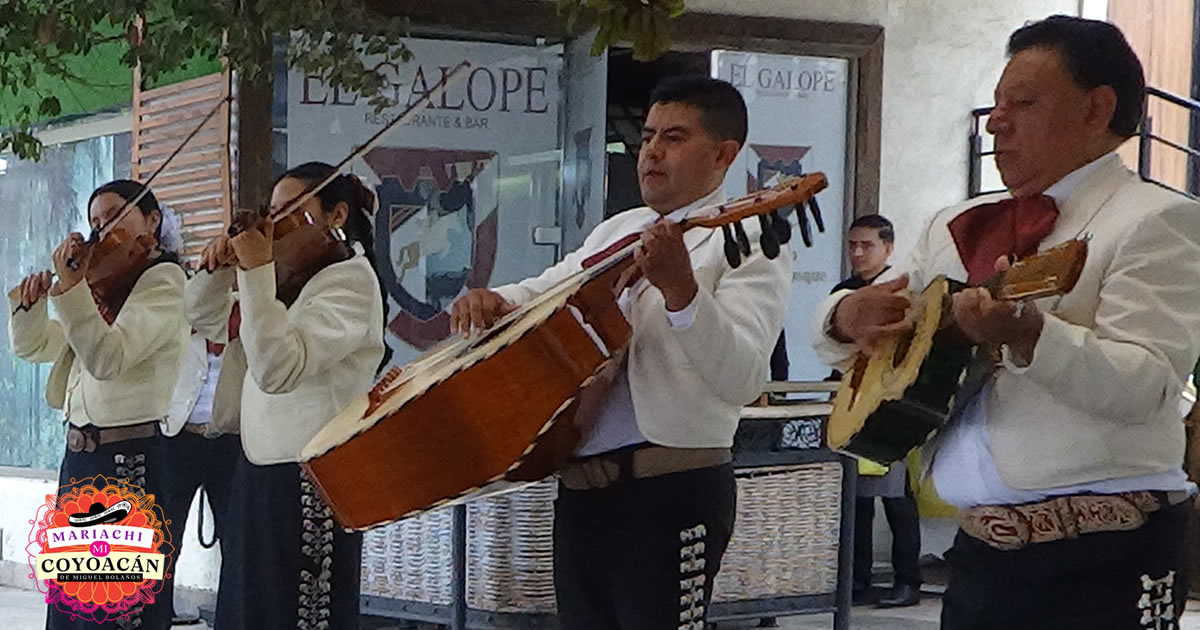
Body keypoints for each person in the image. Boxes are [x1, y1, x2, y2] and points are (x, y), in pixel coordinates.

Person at [811, 16, 1200, 628]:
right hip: (980, 554)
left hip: (1106, 552)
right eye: (995, 103)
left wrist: (1028, 334)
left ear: (1097, 109)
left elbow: (1147, 386)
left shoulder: (1154, 220)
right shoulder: (953, 224)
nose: (995, 122)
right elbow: (878, 342)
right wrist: (843, 316)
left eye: (1022, 102)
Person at [450, 75, 791, 630]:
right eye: (649, 136)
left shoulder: (749, 238)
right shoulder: (623, 227)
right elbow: (548, 286)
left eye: (675, 138)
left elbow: (744, 375)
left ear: (724, 154)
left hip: (670, 492)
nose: (652, 151)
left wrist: (683, 291)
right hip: (583, 492)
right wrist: (496, 299)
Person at [189, 163, 387, 630]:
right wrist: (217, 271)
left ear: (337, 214)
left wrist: (257, 275)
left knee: (298, 615)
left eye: (290, 211)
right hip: (260, 472)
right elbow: (208, 319)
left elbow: (279, 368)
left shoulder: (350, 281)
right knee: (247, 612)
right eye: (272, 212)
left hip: (311, 478)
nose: (274, 224)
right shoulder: (285, 279)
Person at [9, 180, 188, 630]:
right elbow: (43, 346)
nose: (99, 231)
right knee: (74, 609)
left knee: (118, 610)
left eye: (111, 216)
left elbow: (109, 357)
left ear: (152, 220)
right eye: (93, 223)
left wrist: (72, 294)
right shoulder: (103, 288)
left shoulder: (165, 281)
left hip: (131, 462)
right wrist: (33, 308)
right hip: (83, 460)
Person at [831, 215, 922, 608]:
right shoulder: (844, 293)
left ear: (888, 247)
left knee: (897, 497)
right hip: (854, 398)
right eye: (852, 245)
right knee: (857, 498)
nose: (856, 253)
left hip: (895, 401)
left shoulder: (902, 290)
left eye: (866, 245)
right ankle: (857, 578)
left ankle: (908, 581)